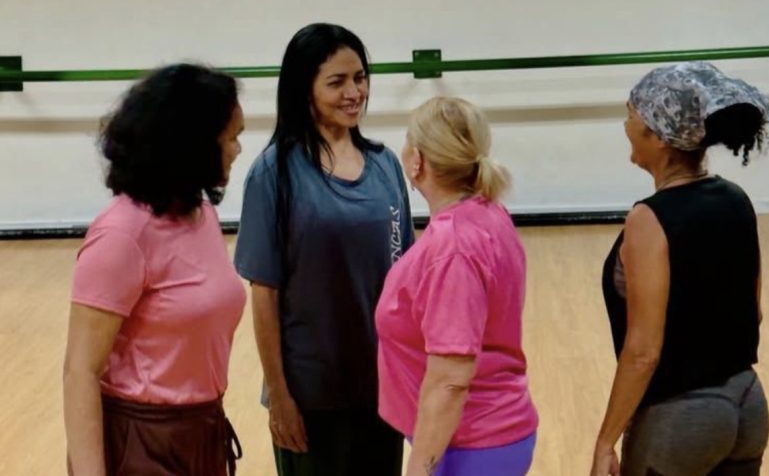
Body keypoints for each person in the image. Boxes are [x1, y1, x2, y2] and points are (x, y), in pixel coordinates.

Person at [234, 23, 414, 476]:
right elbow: (265, 295)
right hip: (310, 396)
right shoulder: (273, 175)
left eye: (360, 78)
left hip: (382, 389)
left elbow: (404, 276)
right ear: (305, 90)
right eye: (337, 82)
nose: (354, 93)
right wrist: (280, 395)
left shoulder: (386, 166)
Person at [592, 61, 769, 476]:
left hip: (683, 420)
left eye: (630, 115)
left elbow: (643, 352)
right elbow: (755, 312)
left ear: (659, 136)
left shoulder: (649, 219)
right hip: (748, 402)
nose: (625, 125)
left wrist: (605, 441)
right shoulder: (736, 199)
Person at [63, 63, 246, 475]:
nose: (237, 149)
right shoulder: (121, 234)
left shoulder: (203, 215)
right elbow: (80, 371)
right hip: (141, 442)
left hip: (202, 431)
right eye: (231, 137)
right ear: (194, 142)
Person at [376, 96, 539, 476]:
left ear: (417, 160)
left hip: (469, 447)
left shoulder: (453, 249)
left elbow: (450, 381)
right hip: (483, 439)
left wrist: (419, 470)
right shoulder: (488, 213)